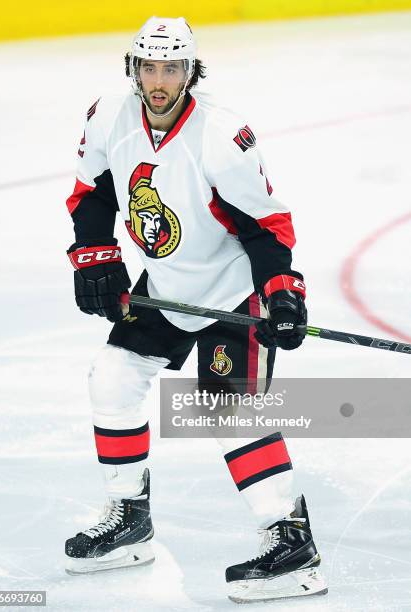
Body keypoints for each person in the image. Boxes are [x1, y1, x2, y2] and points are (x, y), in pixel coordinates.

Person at [64, 16, 327, 602]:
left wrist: (283, 291)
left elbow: (267, 226)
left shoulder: (220, 134)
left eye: (172, 68)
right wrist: (94, 258)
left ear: (191, 71)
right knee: (112, 378)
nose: (159, 80)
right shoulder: (109, 114)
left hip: (234, 292)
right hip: (166, 284)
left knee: (225, 407)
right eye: (149, 67)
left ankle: (292, 543)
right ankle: (129, 519)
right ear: (133, 68)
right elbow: (93, 194)